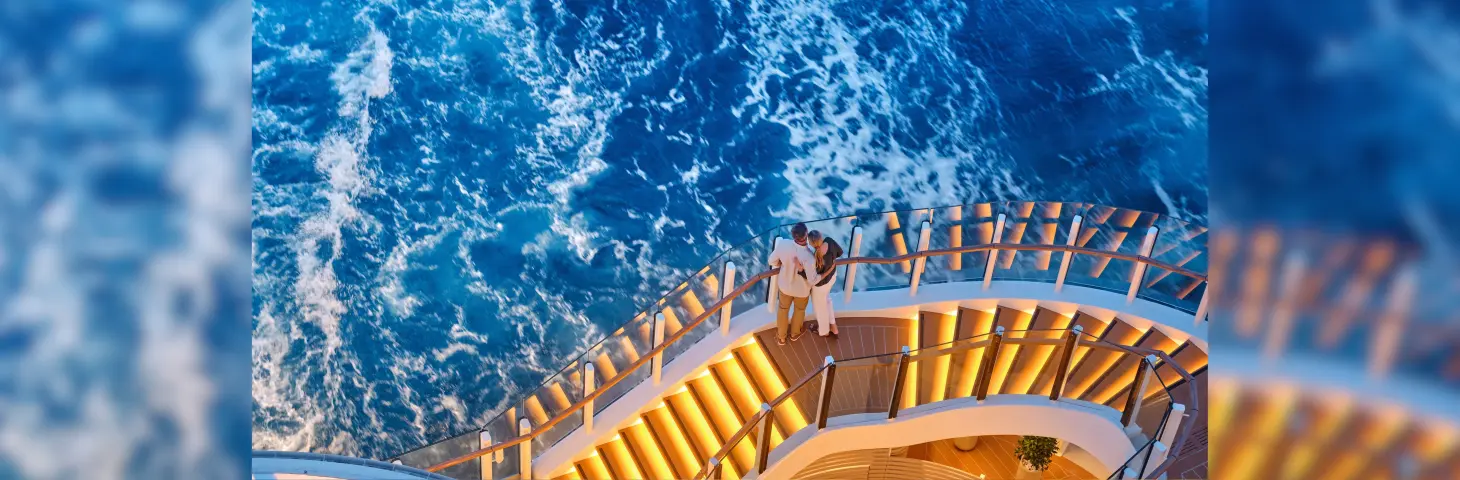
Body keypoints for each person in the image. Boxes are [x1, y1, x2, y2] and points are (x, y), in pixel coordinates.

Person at [768, 223, 819, 345]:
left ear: (793, 235)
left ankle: (781, 337)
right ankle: (795, 334)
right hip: (802, 291)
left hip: (785, 287)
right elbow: (812, 280)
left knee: (783, 310)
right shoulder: (810, 256)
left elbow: (771, 261)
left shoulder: (784, 244)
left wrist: (782, 263)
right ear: (806, 234)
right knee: (799, 310)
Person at [805, 230, 844, 337]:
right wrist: (831, 263)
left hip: (820, 287)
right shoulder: (829, 241)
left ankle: (824, 331)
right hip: (832, 278)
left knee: (820, 309)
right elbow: (840, 253)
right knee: (827, 301)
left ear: (811, 243)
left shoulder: (814, 258)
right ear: (821, 237)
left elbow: (813, 278)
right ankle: (834, 327)